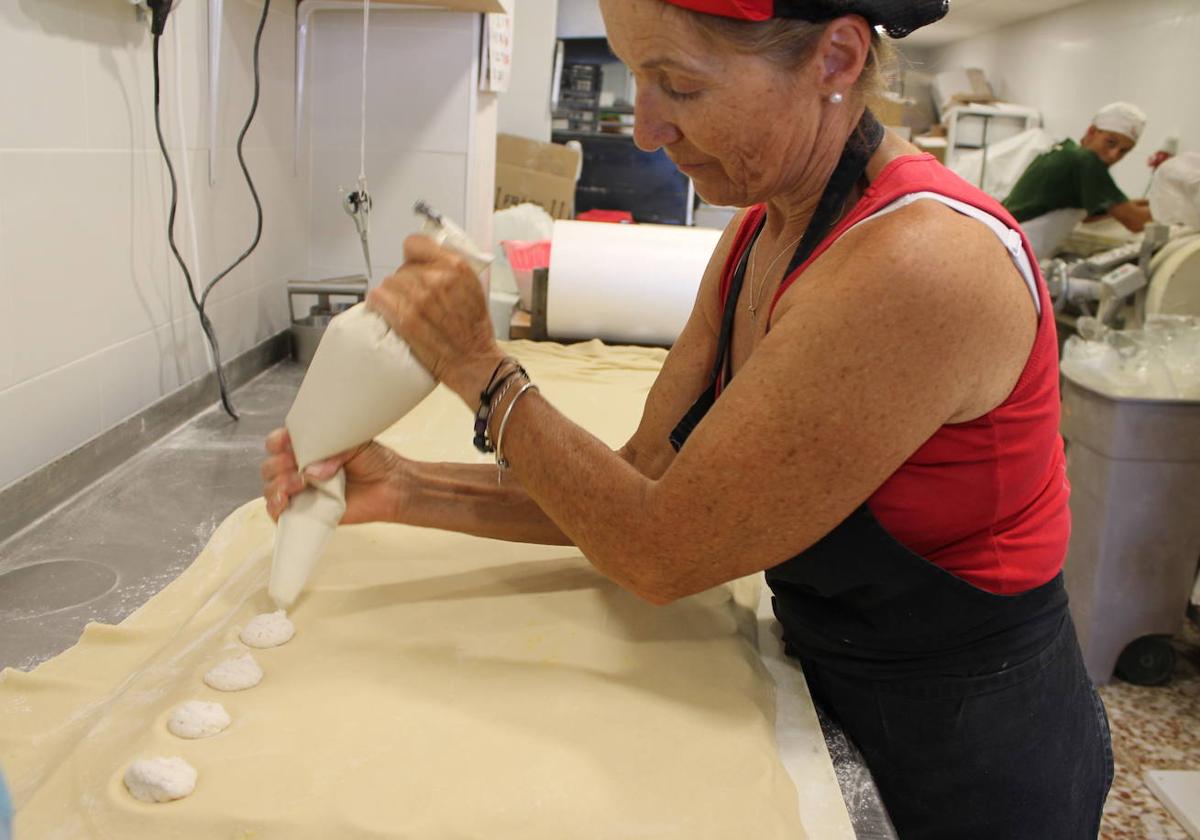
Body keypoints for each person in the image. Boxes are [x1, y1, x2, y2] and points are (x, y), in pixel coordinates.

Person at [262, 0, 1113, 836]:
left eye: (679, 85)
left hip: (963, 756)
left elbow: (663, 551)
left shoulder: (920, 266)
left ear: (837, 59)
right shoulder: (760, 232)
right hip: (836, 684)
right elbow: (639, 483)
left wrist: (481, 371)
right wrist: (409, 487)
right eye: (638, 77)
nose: (645, 129)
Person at [1004, 101, 1154, 258]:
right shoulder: (1086, 162)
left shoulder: (1065, 151)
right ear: (1091, 131)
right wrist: (1171, 211)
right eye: (1111, 142)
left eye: (1124, 151)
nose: (1113, 155)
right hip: (1016, 250)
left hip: (1007, 240)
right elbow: (1135, 222)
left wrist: (1147, 203)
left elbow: (1092, 215)